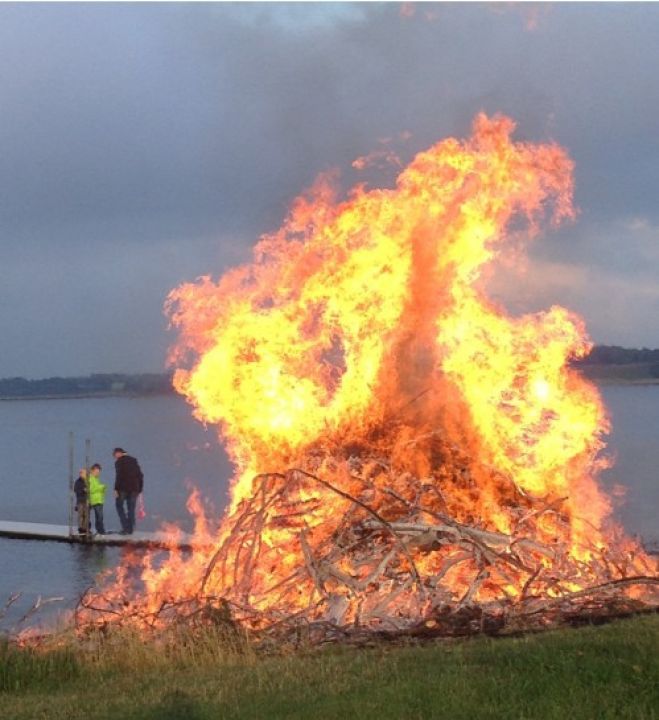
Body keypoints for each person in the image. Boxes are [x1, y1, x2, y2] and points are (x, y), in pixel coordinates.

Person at [113, 447, 143, 535]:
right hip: (135, 489)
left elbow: (119, 476)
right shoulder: (134, 461)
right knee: (131, 509)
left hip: (122, 488)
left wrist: (115, 489)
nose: (115, 457)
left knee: (119, 506)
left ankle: (125, 528)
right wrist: (140, 488)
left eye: (115, 455)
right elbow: (140, 475)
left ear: (119, 453)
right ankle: (130, 529)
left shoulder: (119, 462)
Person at [88, 463, 107, 535]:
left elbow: (97, 489)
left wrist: (103, 489)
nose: (98, 473)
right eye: (96, 472)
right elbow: (91, 489)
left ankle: (99, 530)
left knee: (99, 517)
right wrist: (101, 487)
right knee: (99, 516)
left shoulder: (96, 479)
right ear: (92, 470)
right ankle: (101, 530)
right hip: (95, 500)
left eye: (99, 472)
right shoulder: (90, 478)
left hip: (99, 500)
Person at [73, 468, 90, 536]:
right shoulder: (78, 481)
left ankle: (85, 528)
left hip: (87, 501)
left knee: (86, 515)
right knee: (80, 515)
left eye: (82, 473)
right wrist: (83, 490)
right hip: (80, 500)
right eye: (81, 473)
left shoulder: (88, 481)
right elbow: (76, 490)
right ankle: (80, 528)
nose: (81, 474)